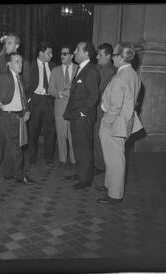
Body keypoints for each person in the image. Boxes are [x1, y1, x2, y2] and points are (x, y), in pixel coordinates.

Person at [97, 42, 143, 204]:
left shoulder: (120, 77)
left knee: (115, 160)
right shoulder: (133, 75)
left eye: (114, 56)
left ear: (120, 58)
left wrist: (106, 123)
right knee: (112, 158)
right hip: (125, 122)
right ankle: (109, 185)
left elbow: (115, 107)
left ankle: (115, 195)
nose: (113, 59)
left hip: (115, 124)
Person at [0, 52, 34, 185]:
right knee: (16, 147)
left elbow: (23, 96)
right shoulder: (4, 77)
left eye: (21, 62)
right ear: (9, 64)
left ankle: (7, 173)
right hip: (8, 116)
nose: (20, 64)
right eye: (16, 62)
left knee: (11, 146)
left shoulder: (19, 77)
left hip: (19, 116)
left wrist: (27, 110)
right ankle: (20, 175)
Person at [0, 33, 30, 170]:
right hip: (1, 105)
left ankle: (12, 167)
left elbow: (26, 85)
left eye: (9, 43)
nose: (6, 45)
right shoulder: (0, 60)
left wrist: (25, 107)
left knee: (14, 138)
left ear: (16, 45)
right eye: (5, 43)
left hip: (14, 108)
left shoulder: (22, 62)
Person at [63, 41, 100, 190]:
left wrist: (82, 113)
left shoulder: (91, 70)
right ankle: (80, 173)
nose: (75, 52)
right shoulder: (81, 68)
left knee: (84, 148)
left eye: (78, 49)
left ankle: (85, 180)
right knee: (78, 147)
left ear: (86, 53)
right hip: (76, 115)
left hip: (82, 117)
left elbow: (93, 96)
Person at [48, 45, 78, 168]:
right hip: (60, 108)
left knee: (73, 136)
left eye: (65, 53)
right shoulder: (55, 71)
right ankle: (62, 160)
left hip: (75, 108)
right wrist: (60, 93)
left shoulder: (79, 69)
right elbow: (50, 89)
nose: (62, 56)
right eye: (61, 53)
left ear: (71, 56)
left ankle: (74, 160)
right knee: (61, 136)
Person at [27, 41, 56, 167]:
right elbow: (25, 84)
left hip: (49, 101)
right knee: (33, 130)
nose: (52, 55)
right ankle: (32, 156)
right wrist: (28, 101)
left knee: (50, 130)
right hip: (35, 100)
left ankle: (49, 157)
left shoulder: (53, 66)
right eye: (49, 53)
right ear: (41, 53)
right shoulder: (29, 66)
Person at [93, 42, 116, 175]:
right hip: (95, 107)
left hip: (101, 109)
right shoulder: (98, 67)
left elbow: (98, 88)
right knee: (95, 136)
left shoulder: (110, 71)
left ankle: (100, 165)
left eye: (100, 55)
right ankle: (97, 162)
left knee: (99, 137)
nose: (97, 57)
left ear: (108, 56)